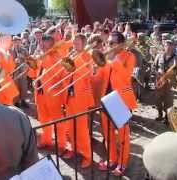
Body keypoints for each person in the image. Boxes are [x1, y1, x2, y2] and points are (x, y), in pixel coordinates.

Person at [95, 32, 137, 176]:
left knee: (123, 134)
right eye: (109, 43)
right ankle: (112, 158)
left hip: (120, 100)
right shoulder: (107, 57)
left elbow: (126, 76)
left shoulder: (129, 56)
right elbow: (100, 76)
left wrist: (115, 60)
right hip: (106, 99)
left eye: (112, 43)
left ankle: (122, 163)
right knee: (107, 133)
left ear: (120, 44)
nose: (109, 45)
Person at [61, 33, 94, 168]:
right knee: (70, 126)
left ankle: (87, 156)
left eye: (77, 43)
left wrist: (76, 61)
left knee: (81, 129)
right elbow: (65, 74)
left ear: (84, 44)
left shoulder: (88, 56)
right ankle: (74, 149)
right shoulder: (71, 55)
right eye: (74, 43)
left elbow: (89, 74)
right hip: (69, 96)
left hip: (81, 97)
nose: (74, 45)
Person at [155, 40, 177, 120]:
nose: (168, 47)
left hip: (170, 82)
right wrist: (157, 73)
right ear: (164, 46)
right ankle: (160, 114)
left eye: (170, 45)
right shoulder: (159, 56)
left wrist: (168, 76)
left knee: (168, 100)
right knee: (158, 99)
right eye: (167, 45)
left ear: (173, 47)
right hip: (159, 81)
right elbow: (154, 66)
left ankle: (167, 117)